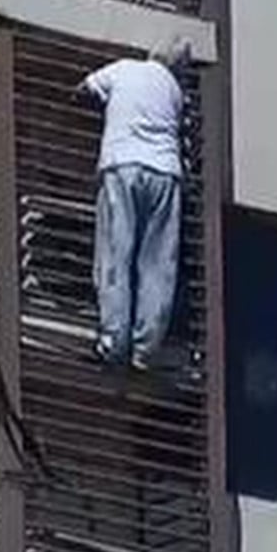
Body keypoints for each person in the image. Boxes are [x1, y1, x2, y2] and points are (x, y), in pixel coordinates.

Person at [79, 37, 193, 370]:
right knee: (158, 265)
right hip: (165, 174)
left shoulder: (123, 69)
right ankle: (145, 350)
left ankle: (113, 341)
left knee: (116, 252)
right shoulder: (175, 91)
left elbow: (85, 88)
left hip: (123, 164)